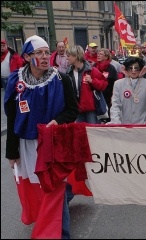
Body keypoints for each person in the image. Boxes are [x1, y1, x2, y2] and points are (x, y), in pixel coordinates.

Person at [4, 35, 79, 239]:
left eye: (47, 52)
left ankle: (61, 234)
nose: (45, 56)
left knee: (54, 187)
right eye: (39, 53)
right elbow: (11, 118)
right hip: (26, 143)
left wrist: (58, 121)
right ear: (28, 56)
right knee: (37, 187)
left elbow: (73, 110)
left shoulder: (62, 79)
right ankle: (46, 222)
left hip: (52, 143)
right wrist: (12, 152)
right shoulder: (15, 80)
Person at [108, 56, 146, 124]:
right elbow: (115, 105)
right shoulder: (118, 84)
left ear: (141, 69)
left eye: (136, 68)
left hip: (143, 124)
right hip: (125, 124)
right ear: (126, 69)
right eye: (130, 68)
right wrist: (116, 122)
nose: (133, 71)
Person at [66, 45, 108, 124]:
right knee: (79, 133)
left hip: (91, 109)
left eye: (69, 56)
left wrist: (92, 81)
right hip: (76, 109)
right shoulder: (68, 72)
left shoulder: (91, 70)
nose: (67, 58)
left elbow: (104, 84)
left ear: (75, 56)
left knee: (93, 132)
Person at [93, 48, 118, 122]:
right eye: (98, 54)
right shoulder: (94, 66)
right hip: (97, 95)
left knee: (107, 116)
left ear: (106, 57)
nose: (98, 55)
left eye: (101, 54)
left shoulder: (111, 68)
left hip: (108, 96)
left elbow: (114, 82)